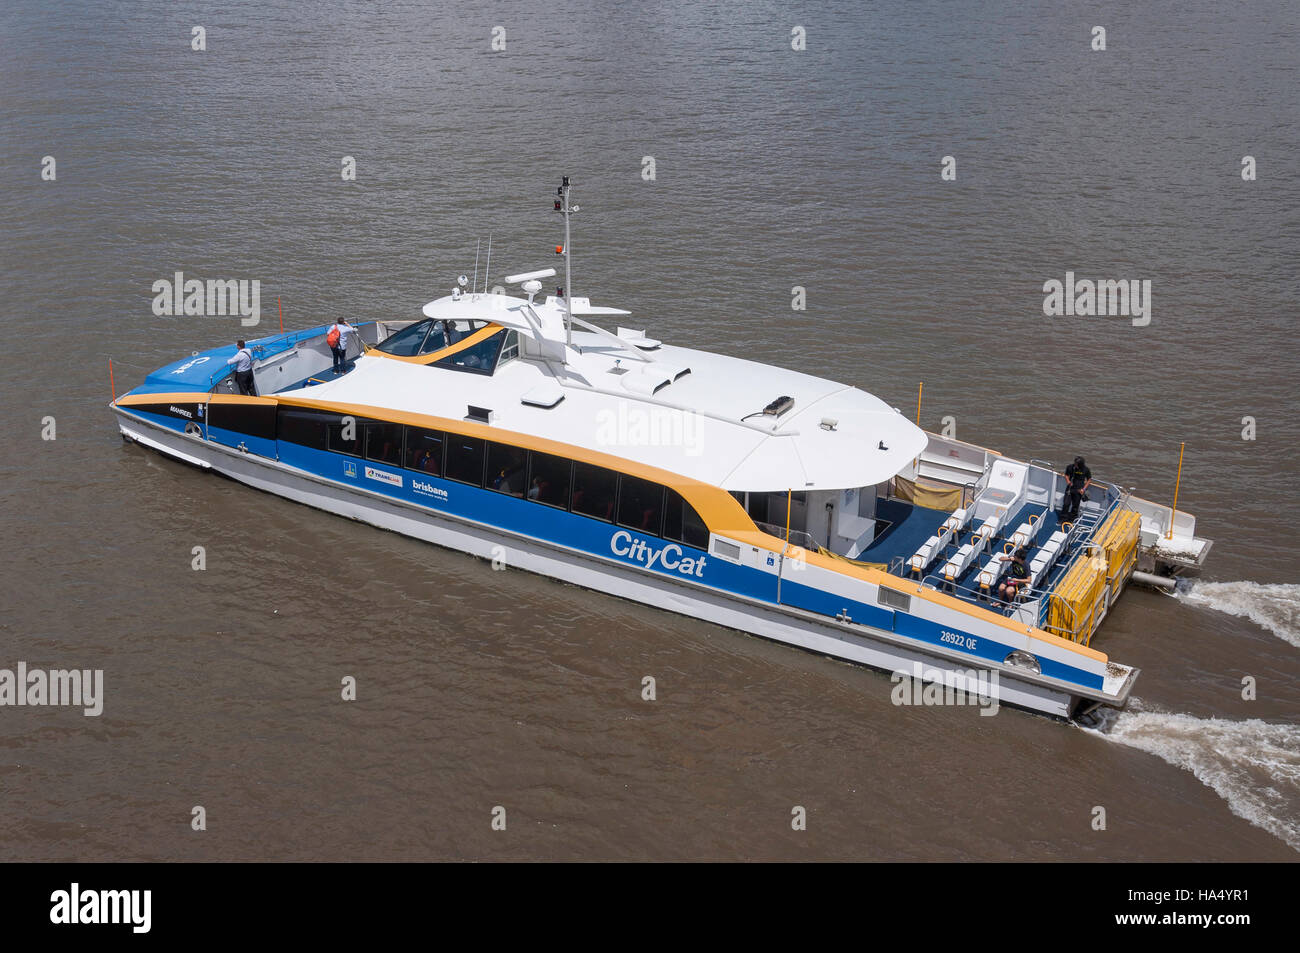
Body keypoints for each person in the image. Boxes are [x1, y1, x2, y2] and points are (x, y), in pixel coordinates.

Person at [1058, 456, 1093, 523]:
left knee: (1075, 506)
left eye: (1076, 464)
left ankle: (1071, 520)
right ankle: (1062, 518)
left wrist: (1084, 489)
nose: (1075, 465)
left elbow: (1089, 479)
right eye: (1075, 463)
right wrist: (1068, 481)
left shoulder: (1086, 469)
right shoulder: (1070, 467)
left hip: (1079, 490)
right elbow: (1066, 475)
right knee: (1066, 503)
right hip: (1070, 489)